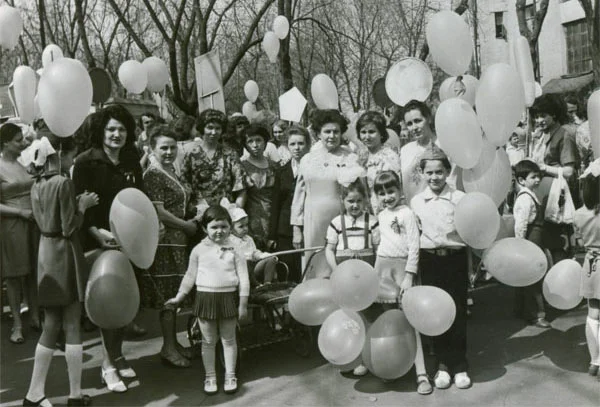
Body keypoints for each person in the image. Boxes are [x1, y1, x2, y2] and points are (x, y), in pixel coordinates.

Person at [72, 104, 145, 393]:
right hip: (97, 240)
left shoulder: (131, 159)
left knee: (125, 301)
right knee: (108, 302)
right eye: (111, 129)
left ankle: (117, 353)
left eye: (122, 129)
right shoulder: (86, 162)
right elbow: (81, 204)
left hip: (128, 240)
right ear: (101, 132)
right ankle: (107, 364)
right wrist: (95, 231)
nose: (117, 134)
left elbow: (139, 197)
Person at [24, 134, 99, 407]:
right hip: (64, 252)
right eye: (70, 156)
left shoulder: (37, 184)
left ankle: (34, 393)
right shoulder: (64, 182)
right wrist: (82, 206)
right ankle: (75, 395)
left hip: (45, 252)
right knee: (71, 323)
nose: (72, 160)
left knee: (50, 324)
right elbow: (69, 226)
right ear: (60, 154)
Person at [165, 205, 249, 395]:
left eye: (224, 226)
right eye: (214, 227)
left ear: (230, 227)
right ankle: (210, 376)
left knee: (229, 339)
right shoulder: (198, 250)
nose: (219, 231)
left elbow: (244, 278)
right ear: (205, 228)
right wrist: (179, 297)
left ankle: (230, 375)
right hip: (205, 299)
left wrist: (243, 304)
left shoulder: (236, 249)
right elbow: (189, 276)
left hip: (228, 298)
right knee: (208, 341)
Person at [411, 146, 471, 390]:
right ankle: (443, 365)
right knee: (436, 313)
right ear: (422, 174)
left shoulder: (459, 199)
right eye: (429, 172)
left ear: (448, 172)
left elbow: (468, 235)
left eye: (439, 172)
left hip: (454, 259)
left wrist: (470, 268)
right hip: (430, 260)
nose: (434, 177)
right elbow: (415, 236)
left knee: (456, 311)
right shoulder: (416, 202)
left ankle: (460, 365)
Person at [141, 125, 198, 368]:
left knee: (176, 291)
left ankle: (173, 343)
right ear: (152, 149)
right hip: (165, 241)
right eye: (163, 147)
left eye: (172, 147)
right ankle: (167, 346)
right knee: (169, 295)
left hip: (179, 241)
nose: (168, 152)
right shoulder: (153, 174)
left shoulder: (172, 170)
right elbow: (159, 211)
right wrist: (186, 225)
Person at [369, 170, 431, 394]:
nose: (387, 197)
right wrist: (376, 272)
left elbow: (414, 246)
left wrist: (409, 275)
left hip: (403, 269)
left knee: (410, 321)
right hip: (384, 268)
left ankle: (421, 373)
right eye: (382, 193)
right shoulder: (382, 214)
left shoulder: (407, 213)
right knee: (389, 320)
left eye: (391, 191)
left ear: (399, 191)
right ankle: (393, 366)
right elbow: (382, 245)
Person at [291, 109, 362, 277]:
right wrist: (296, 227)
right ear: (318, 134)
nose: (332, 136)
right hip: (313, 220)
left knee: (339, 261)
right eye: (327, 131)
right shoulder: (308, 160)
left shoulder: (350, 157)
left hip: (341, 218)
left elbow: (358, 192)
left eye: (336, 131)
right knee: (315, 262)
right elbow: (299, 195)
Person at [324, 179, 379, 378]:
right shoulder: (337, 223)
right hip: (344, 278)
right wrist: (336, 271)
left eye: (358, 200)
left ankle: (364, 358)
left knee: (366, 315)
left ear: (365, 200)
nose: (354, 205)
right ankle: (348, 356)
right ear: (342, 201)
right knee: (347, 317)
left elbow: (379, 249)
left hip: (365, 279)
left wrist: (375, 273)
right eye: (350, 201)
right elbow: (329, 250)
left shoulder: (372, 222)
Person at [0, 123, 40, 344]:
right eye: (18, 140)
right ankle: (17, 323)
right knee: (14, 276)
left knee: (33, 272)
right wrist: (19, 212)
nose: (23, 143)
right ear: (5, 143)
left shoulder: (23, 163)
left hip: (32, 221)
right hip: (12, 224)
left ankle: (34, 316)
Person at [531, 94, 579, 262]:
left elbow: (568, 171)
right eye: (536, 116)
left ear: (554, 115)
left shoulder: (564, 135)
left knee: (559, 244)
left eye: (543, 115)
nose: (539, 120)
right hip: (541, 198)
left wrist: (544, 168)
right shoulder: (540, 137)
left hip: (557, 199)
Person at [269, 125, 311, 283]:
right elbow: (275, 204)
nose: (297, 148)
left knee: (306, 269)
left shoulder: (315, 168)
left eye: (301, 143)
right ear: (287, 145)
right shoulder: (281, 171)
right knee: (287, 271)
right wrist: (272, 235)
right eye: (293, 144)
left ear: (307, 144)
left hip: (309, 224)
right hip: (285, 229)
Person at [512, 160, 551, 328]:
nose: (537, 180)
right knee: (533, 278)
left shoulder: (532, 195)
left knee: (530, 277)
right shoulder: (525, 199)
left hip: (536, 241)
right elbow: (521, 224)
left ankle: (523, 309)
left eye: (538, 176)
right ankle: (536, 315)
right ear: (521, 180)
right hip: (530, 242)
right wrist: (521, 246)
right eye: (533, 177)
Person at [182, 109, 246, 208]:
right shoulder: (191, 155)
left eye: (218, 128)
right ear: (202, 128)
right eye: (210, 127)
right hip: (199, 211)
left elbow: (241, 187)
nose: (213, 132)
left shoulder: (230, 154)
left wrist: (236, 211)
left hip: (225, 212)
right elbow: (184, 186)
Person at [573, 159, 600, 378]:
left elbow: (581, 241)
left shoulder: (579, 214)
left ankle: (595, 360)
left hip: (591, 265)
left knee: (593, 313)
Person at [240, 124, 278, 250]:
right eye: (250, 141)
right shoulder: (241, 167)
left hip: (273, 215)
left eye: (258, 140)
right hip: (252, 218)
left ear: (265, 142)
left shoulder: (274, 166)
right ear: (245, 145)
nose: (255, 145)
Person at [355, 111, 402, 214]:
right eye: (363, 132)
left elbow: (394, 187)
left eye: (372, 132)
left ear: (381, 133)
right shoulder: (361, 156)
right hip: (367, 207)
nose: (367, 136)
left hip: (387, 206)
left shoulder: (389, 156)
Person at [224, 198, 278, 285]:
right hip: (240, 270)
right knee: (246, 263)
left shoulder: (248, 239)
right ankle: (254, 284)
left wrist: (261, 255)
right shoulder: (229, 240)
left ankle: (267, 283)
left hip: (254, 268)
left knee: (272, 259)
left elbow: (254, 252)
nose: (245, 228)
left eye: (246, 225)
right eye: (241, 226)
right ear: (231, 228)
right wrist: (247, 257)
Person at [400, 100, 440, 204]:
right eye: (409, 124)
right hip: (413, 210)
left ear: (428, 118)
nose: (414, 128)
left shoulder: (443, 145)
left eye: (418, 121)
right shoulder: (405, 150)